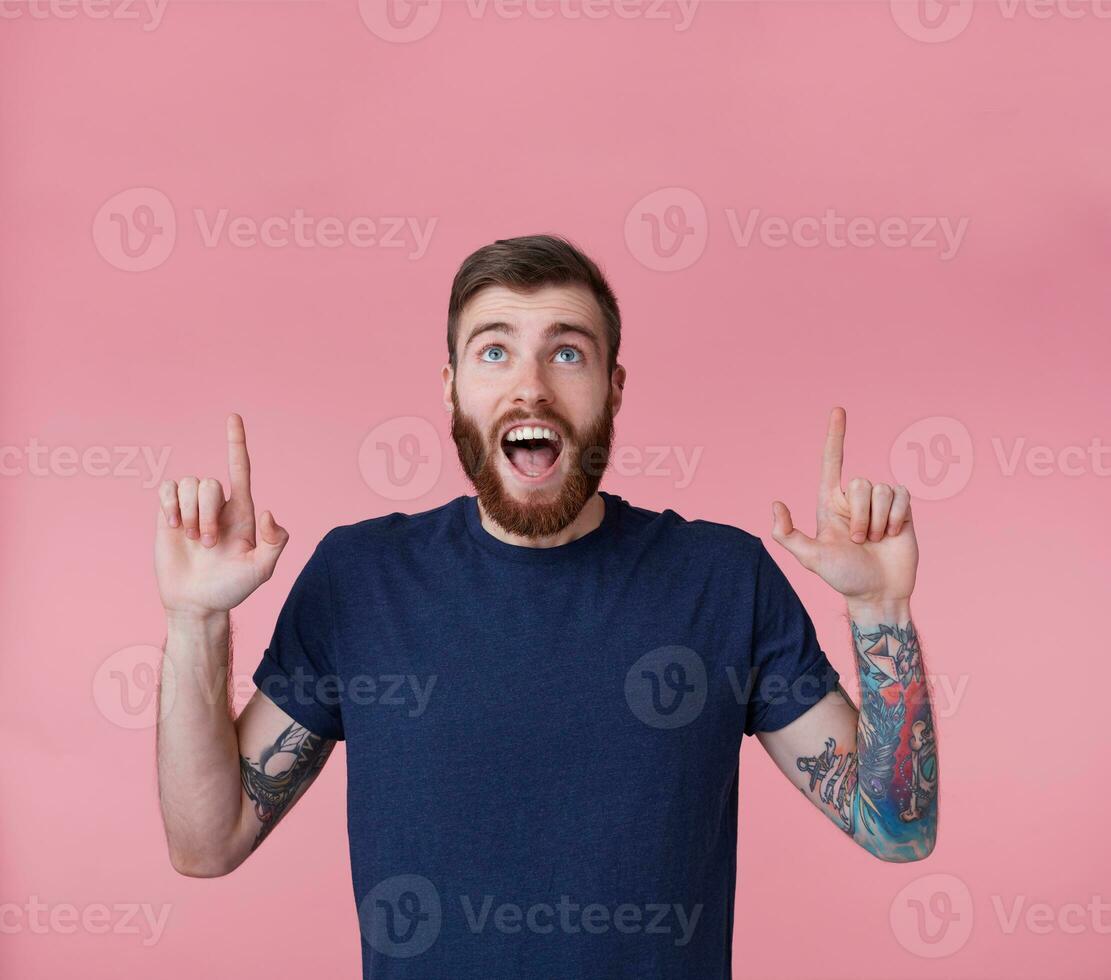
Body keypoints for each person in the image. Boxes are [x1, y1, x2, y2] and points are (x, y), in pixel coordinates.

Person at [154, 234, 939, 979]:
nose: (530, 385)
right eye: (493, 350)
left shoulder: (722, 578)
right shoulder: (358, 579)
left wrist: (879, 609)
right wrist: (195, 621)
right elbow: (207, 842)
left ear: (613, 389)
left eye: (567, 352)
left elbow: (896, 830)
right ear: (452, 387)